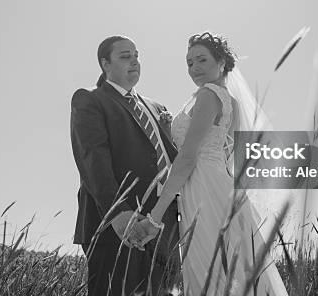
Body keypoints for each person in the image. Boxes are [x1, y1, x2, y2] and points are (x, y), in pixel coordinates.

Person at [129, 32, 289, 295]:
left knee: (208, 272)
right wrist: (172, 128)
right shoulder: (231, 102)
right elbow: (220, 151)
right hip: (220, 187)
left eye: (202, 60)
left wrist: (155, 217)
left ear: (222, 62)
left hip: (203, 190)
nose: (194, 68)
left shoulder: (206, 95)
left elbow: (189, 157)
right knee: (232, 271)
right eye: (190, 63)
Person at [70, 35, 180, 295]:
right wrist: (118, 213)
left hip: (164, 228)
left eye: (137, 55)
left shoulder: (156, 108)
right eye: (125, 56)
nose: (134, 61)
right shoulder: (90, 99)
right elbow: (92, 158)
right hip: (116, 227)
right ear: (105, 64)